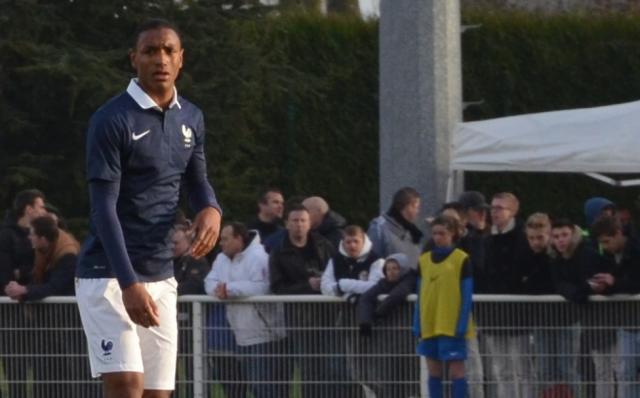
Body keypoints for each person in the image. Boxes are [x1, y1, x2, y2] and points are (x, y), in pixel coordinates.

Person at [75, 19, 222, 398]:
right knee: (126, 386)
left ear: (181, 59)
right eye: (150, 51)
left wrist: (211, 208)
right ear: (134, 59)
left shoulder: (191, 117)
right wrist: (129, 284)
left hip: (161, 276)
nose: (161, 58)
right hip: (109, 276)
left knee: (158, 394)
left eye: (169, 50)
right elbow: (103, 209)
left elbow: (196, 179)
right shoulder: (112, 119)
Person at [3, 215, 91, 397]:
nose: (29, 238)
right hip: (55, 321)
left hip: (70, 322)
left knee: (75, 370)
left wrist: (24, 290)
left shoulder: (68, 255)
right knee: (50, 369)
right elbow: (42, 276)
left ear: (43, 238)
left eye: (32, 234)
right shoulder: (46, 251)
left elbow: (54, 286)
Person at [269, 204, 348, 397]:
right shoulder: (279, 252)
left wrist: (326, 282)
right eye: (294, 221)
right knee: (310, 372)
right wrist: (307, 285)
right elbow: (277, 287)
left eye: (303, 220)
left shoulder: (324, 245)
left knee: (336, 370)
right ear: (287, 224)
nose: (299, 225)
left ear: (309, 223)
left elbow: (340, 271)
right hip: (300, 322)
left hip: (329, 319)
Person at [205, 222, 287, 398]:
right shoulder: (221, 259)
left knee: (264, 385)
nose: (221, 243)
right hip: (240, 333)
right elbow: (209, 281)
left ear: (238, 239)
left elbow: (263, 287)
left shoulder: (259, 258)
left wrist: (229, 290)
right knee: (251, 383)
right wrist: (219, 290)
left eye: (225, 239)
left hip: (265, 333)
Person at [415, 215, 474, 398]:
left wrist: (462, 324)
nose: (438, 237)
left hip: (451, 325)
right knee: (433, 372)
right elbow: (420, 294)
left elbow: (466, 294)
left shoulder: (461, 259)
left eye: (442, 233)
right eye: (434, 233)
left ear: (452, 234)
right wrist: (417, 324)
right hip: (429, 323)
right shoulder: (424, 260)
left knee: (457, 372)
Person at [548, 219, 604, 398]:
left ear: (573, 235)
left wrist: (576, 290)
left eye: (564, 235)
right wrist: (577, 290)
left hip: (597, 320)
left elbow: (590, 285)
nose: (561, 240)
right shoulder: (556, 259)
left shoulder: (587, 254)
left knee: (599, 369)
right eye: (556, 236)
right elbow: (561, 285)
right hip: (577, 317)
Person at [0, 188, 47, 397]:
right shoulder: (6, 235)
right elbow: (6, 273)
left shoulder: (39, 234)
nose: (44, 211)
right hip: (11, 311)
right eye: (41, 206)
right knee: (15, 360)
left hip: (34, 307)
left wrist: (23, 273)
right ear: (28, 209)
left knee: (41, 359)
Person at [355, 253, 419, 397]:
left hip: (410, 340)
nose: (391, 272)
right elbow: (366, 298)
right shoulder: (383, 284)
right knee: (391, 378)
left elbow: (397, 294)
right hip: (390, 341)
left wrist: (378, 313)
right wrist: (365, 322)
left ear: (403, 269)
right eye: (388, 269)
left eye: (395, 268)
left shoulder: (410, 280)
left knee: (412, 379)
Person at [591, 215, 640, 398]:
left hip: (633, 321)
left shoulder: (635, 250)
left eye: (607, 241)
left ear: (619, 233)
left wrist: (614, 282)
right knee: (626, 374)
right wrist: (606, 286)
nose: (604, 247)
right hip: (628, 324)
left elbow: (634, 282)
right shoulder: (615, 255)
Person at [320, 224, 385, 297]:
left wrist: (344, 285)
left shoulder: (377, 261)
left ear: (363, 242)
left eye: (356, 241)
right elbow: (325, 287)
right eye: (348, 242)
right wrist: (346, 294)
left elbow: (375, 287)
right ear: (343, 243)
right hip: (339, 308)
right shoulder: (334, 261)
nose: (352, 245)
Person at [368, 186, 423, 269]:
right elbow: (373, 261)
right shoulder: (379, 228)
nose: (418, 211)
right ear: (408, 206)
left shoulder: (412, 231)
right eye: (416, 207)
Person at [172, 224, 210, 295]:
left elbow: (194, 286)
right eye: (170, 243)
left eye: (176, 243)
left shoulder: (198, 260)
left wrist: (168, 290)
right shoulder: (168, 262)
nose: (172, 246)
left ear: (188, 242)